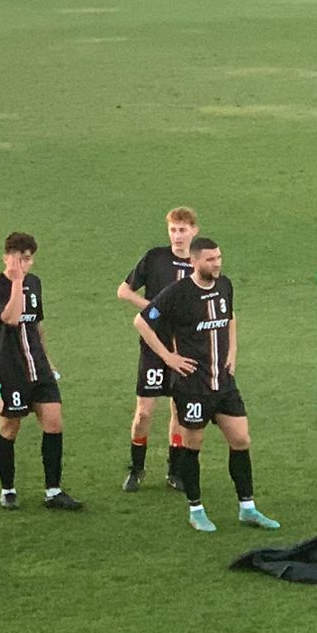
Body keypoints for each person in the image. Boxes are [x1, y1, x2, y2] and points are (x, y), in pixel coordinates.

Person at [134, 236, 278, 533]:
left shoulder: (224, 285)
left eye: (219, 258)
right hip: (192, 386)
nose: (217, 263)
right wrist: (168, 357)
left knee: (241, 439)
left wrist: (233, 351)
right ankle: (196, 509)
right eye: (211, 259)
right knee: (193, 445)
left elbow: (230, 317)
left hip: (223, 383)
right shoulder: (177, 293)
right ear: (194, 261)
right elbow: (142, 322)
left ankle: (247, 508)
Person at [0, 231, 82, 510]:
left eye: (27, 259)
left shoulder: (35, 283)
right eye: (19, 258)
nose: (24, 264)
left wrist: (48, 360)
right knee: (9, 427)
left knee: (54, 423)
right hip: (10, 369)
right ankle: (8, 489)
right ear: (6, 258)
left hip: (38, 368)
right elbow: (11, 318)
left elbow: (36, 324)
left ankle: (53, 490)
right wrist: (17, 282)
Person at [116, 207, 200, 493]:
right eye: (173, 230)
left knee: (178, 410)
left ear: (194, 231)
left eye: (182, 230)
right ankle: (136, 468)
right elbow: (123, 291)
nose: (177, 236)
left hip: (185, 347)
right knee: (144, 413)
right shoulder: (155, 258)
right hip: (153, 345)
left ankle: (174, 471)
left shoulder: (199, 263)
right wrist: (154, 308)